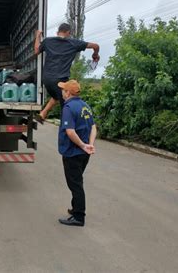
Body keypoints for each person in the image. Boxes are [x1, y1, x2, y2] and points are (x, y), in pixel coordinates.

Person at [34, 23, 100, 123]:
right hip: (61, 80)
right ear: (68, 32)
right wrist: (95, 55)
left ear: (58, 32)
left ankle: (43, 113)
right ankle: (67, 129)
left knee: (56, 96)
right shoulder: (74, 43)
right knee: (68, 106)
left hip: (46, 79)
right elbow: (96, 46)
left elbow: (36, 50)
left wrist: (38, 36)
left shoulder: (47, 41)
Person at [56, 80, 96, 227]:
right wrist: (89, 145)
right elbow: (93, 127)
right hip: (83, 153)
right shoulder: (85, 106)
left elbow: (70, 131)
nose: (61, 92)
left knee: (75, 184)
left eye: (63, 90)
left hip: (73, 152)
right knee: (77, 180)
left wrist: (82, 145)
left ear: (68, 93)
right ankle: (75, 209)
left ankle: (79, 216)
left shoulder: (68, 107)